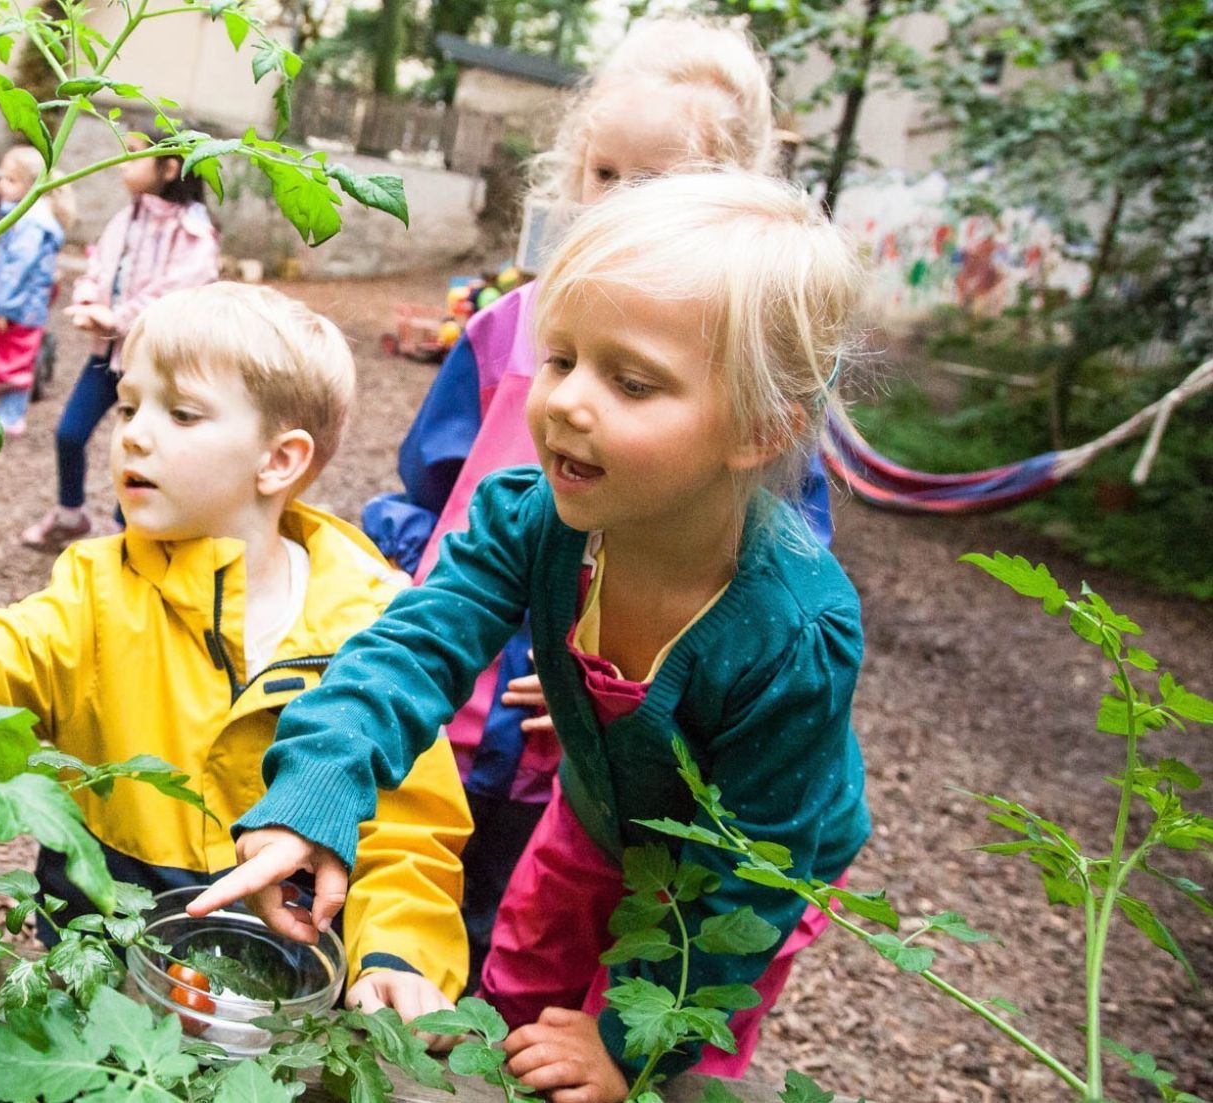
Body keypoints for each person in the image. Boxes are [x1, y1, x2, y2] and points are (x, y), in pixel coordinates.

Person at [194, 172, 871, 1098]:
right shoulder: (533, 520)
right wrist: (314, 790)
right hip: (594, 812)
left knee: (651, 1065)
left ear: (759, 428)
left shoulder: (796, 633)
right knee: (515, 995)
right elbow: (407, 650)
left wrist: (627, 1044)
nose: (565, 402)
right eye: (560, 358)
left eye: (630, 381)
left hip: (733, 877)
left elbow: (752, 878)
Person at [0, 283, 473, 1018]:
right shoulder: (96, 594)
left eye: (181, 413)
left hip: (286, 1001)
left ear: (279, 460)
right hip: (106, 984)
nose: (133, 434)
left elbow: (408, 829)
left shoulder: (373, 624)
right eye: (128, 405)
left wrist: (397, 954)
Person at [356, 16, 831, 985]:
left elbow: (761, 569)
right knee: (407, 889)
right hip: (455, 685)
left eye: (654, 186)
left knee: (524, 910)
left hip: (570, 731)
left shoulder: (740, 390)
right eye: (603, 173)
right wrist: (415, 574)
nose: (615, 202)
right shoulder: (506, 330)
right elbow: (430, 489)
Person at [18, 139, 220, 548]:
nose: (121, 164)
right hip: (107, 357)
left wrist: (118, 317)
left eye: (134, 155)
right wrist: (89, 299)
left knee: (142, 448)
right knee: (70, 433)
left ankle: (128, 532)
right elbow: (98, 264)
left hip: (159, 368)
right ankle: (70, 514)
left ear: (168, 167)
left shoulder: (193, 231)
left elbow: (179, 290)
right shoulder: (125, 219)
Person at [0, 145, 67, 437]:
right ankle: (8, 412)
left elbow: (17, 269)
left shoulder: (30, 224)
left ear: (30, 185)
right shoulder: (28, 218)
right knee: (14, 356)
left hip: (18, 306)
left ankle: (11, 417)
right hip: (26, 305)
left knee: (14, 358)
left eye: (11, 179)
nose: (2, 185)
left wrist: (2, 307)